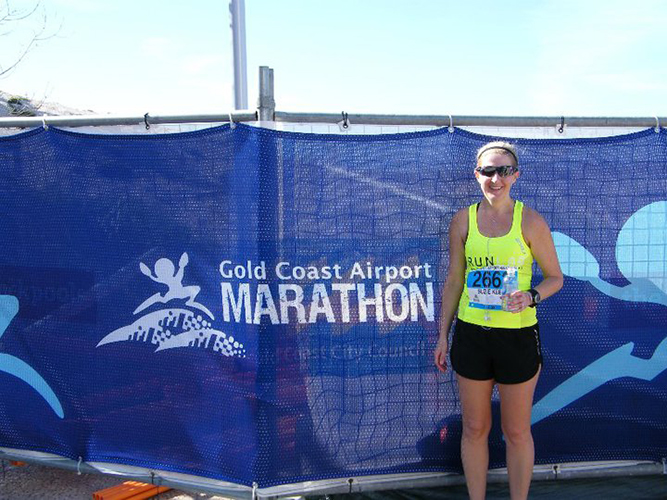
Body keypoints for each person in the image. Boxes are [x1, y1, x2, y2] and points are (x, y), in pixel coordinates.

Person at [434, 141, 563, 500]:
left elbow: (555, 277)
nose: (496, 178)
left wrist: (531, 296)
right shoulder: (462, 221)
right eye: (488, 171)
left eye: (503, 171)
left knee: (516, 432)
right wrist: (443, 335)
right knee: (475, 427)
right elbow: (454, 281)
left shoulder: (531, 221)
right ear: (477, 174)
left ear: (515, 175)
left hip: (517, 339)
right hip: (472, 337)